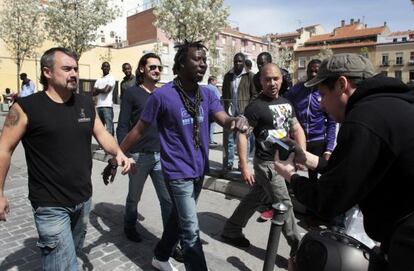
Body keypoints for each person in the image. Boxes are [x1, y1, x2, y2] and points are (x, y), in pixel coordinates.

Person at [104, 41, 249, 271]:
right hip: (177, 172)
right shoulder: (162, 96)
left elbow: (223, 118)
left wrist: (236, 122)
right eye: (197, 59)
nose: (203, 64)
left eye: (204, 60)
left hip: (199, 170)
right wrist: (117, 156)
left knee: (176, 218)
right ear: (181, 63)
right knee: (190, 230)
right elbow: (137, 130)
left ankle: (160, 256)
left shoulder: (207, 94)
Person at [274, 53, 414, 271]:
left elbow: (328, 201)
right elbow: (358, 170)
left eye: (322, 95)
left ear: (342, 85)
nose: (321, 104)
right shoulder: (392, 105)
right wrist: (313, 161)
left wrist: (290, 177)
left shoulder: (363, 118)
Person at [0, 47, 131, 270]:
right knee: (65, 266)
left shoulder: (85, 104)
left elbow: (102, 133)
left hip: (83, 200)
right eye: (67, 68)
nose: (74, 74)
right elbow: (4, 150)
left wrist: (118, 152)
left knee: (70, 253)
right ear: (47, 72)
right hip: (50, 205)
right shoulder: (25, 108)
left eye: (76, 69)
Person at [221, 63, 305, 261]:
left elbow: (297, 128)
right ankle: (299, 251)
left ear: (281, 79)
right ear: (260, 81)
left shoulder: (286, 102)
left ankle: (231, 230)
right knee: (284, 204)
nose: (272, 83)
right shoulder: (255, 107)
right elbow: (242, 136)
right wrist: (244, 165)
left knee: (255, 197)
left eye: (275, 78)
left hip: (282, 163)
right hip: (267, 165)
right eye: (267, 79)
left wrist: (301, 152)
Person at [116, 52, 183, 262]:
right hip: (138, 156)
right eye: (152, 67)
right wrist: (125, 154)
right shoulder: (131, 94)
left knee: (168, 202)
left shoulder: (163, 94)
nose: (156, 70)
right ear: (142, 69)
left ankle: (171, 243)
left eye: (159, 67)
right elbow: (123, 125)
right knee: (134, 197)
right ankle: (129, 224)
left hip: (161, 157)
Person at [286, 59, 336, 183]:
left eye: (316, 71)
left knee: (314, 176)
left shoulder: (325, 92)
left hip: (317, 141)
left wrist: (329, 149)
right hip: (297, 139)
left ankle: (312, 198)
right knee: (289, 170)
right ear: (307, 71)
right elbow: (283, 104)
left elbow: (332, 123)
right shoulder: (297, 90)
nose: (313, 74)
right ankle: (289, 195)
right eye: (311, 71)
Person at [222, 52, 256, 171]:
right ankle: (228, 164)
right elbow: (224, 94)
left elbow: (254, 95)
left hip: (244, 113)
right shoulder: (228, 76)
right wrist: (224, 108)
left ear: (244, 62)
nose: (237, 63)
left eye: (240, 61)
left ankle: (243, 164)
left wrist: (248, 110)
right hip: (229, 113)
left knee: (243, 140)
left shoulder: (250, 76)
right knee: (228, 140)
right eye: (235, 61)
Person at [93, 61, 116, 135]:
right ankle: (102, 146)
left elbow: (106, 90)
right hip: (99, 106)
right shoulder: (99, 79)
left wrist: (98, 90)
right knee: (100, 129)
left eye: (107, 66)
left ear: (109, 68)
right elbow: (93, 92)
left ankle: (111, 145)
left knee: (109, 128)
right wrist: (101, 90)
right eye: (104, 66)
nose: (106, 68)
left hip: (107, 106)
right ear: (101, 68)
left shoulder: (111, 78)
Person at [205, 75, 221, 145]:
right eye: (215, 81)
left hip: (205, 109)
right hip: (212, 109)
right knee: (212, 125)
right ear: (212, 81)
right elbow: (218, 98)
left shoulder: (204, 88)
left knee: (206, 125)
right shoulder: (214, 88)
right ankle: (211, 140)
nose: (216, 82)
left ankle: (206, 139)